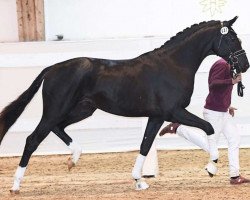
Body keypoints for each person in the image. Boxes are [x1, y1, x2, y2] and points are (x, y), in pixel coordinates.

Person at [159, 58, 250, 185]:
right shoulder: (222, 65)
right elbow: (213, 84)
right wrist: (232, 81)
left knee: (234, 139)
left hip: (222, 112)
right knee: (210, 147)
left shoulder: (227, 65)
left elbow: (220, 90)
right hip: (214, 113)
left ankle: (235, 176)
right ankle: (178, 128)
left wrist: (227, 105)